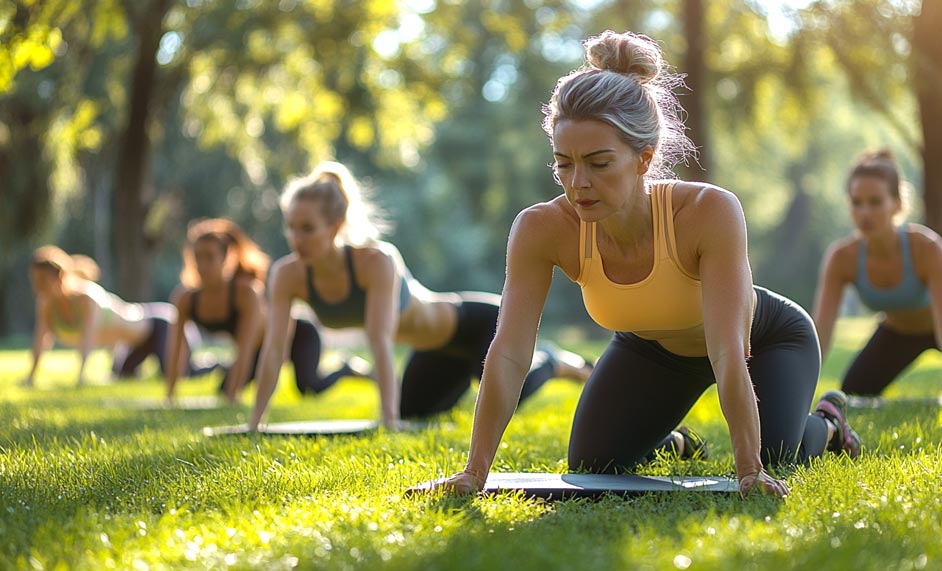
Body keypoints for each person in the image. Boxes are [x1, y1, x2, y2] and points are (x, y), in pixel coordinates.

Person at [430, 30, 861, 498]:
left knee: (778, 454)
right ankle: (674, 442)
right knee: (595, 463)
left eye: (598, 163)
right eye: (564, 164)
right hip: (651, 348)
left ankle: (828, 425)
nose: (578, 184)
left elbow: (728, 352)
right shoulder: (541, 228)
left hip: (764, 341)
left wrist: (749, 469)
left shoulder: (706, 212)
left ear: (644, 158)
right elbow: (510, 352)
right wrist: (474, 472)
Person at [249, 161, 592, 429]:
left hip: (476, 324)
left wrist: (387, 420)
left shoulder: (376, 260)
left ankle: (554, 361)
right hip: (434, 349)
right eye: (290, 226)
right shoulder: (287, 274)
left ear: (336, 224)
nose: (296, 239)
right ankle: (469, 378)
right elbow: (275, 349)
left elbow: (380, 340)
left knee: (507, 394)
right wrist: (255, 424)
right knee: (412, 411)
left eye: (307, 228)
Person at [811, 149, 942, 406]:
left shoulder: (928, 249)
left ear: (897, 203)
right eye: (856, 202)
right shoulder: (841, 258)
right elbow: (821, 331)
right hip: (899, 331)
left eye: (875, 202)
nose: (865, 213)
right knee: (854, 391)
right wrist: (801, 394)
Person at [165, 217, 368, 405]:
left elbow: (245, 348)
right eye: (197, 257)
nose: (203, 265)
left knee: (308, 388)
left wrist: (233, 397)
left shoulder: (246, 294)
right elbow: (176, 349)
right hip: (259, 350)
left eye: (209, 257)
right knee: (223, 390)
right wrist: (170, 397)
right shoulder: (185, 298)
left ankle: (345, 368)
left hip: (299, 336)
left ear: (226, 258)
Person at [23, 245, 212, 387]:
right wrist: (31, 377)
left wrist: (80, 377)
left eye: (42, 280)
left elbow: (87, 339)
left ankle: (219, 364)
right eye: (34, 280)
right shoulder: (46, 304)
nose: (37, 286)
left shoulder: (85, 298)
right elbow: (41, 339)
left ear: (61, 277)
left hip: (160, 325)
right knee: (122, 376)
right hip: (134, 343)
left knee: (180, 374)